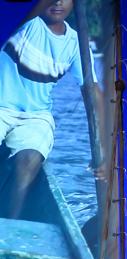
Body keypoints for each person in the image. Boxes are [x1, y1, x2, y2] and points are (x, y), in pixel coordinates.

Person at [0, 0, 100, 218]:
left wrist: (104, 150)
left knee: (29, 160)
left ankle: (9, 227)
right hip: (1, 107)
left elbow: (91, 91)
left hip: (35, 116)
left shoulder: (75, 43)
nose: (57, 2)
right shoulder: (25, 21)